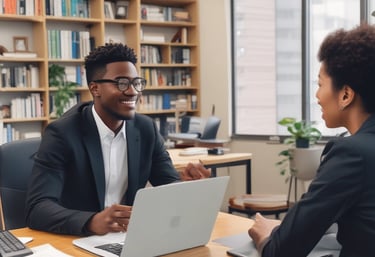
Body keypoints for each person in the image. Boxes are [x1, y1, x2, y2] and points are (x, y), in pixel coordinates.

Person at [25, 43, 210, 236]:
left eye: (136, 83)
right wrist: (91, 221)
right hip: (76, 239)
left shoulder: (146, 129)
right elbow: (37, 208)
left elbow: (168, 185)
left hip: (127, 238)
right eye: (121, 83)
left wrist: (188, 189)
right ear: (95, 88)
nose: (132, 91)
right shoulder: (62, 134)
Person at [248, 22, 375, 256]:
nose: (317, 96)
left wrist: (265, 234)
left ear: (345, 94)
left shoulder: (351, 153)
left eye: (320, 84)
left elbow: (281, 251)